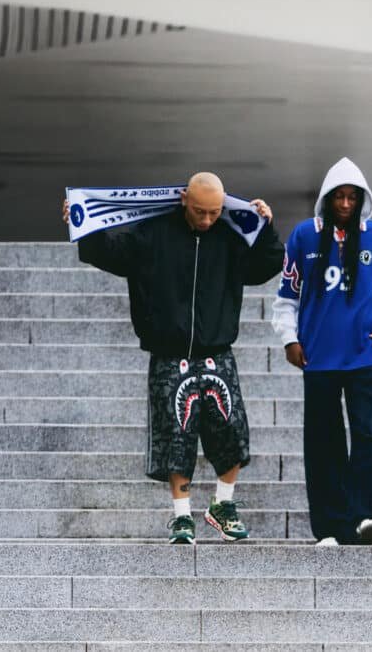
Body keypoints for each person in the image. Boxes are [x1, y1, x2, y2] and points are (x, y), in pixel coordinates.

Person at [62, 172, 283, 544]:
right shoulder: (154, 233)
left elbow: (267, 265)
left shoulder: (229, 236)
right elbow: (109, 252)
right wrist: (83, 224)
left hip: (216, 351)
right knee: (175, 435)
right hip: (169, 352)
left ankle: (223, 504)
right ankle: (182, 516)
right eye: (199, 211)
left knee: (231, 429)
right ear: (184, 200)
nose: (207, 219)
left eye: (214, 212)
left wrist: (266, 229)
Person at [272, 157, 372, 546]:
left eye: (352, 197)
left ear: (361, 200)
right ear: (326, 198)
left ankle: (364, 515)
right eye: (338, 196)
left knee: (367, 435)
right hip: (319, 357)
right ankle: (329, 525)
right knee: (323, 441)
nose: (344, 204)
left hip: (364, 355)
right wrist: (289, 338)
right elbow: (287, 296)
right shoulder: (304, 235)